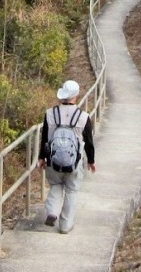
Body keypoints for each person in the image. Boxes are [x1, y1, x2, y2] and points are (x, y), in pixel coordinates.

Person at [37, 79, 95, 234]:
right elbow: (89, 141)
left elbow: (44, 138)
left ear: (62, 95)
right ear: (76, 95)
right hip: (74, 163)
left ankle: (52, 212)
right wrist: (91, 161)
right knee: (71, 191)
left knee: (55, 186)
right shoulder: (83, 116)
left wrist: (41, 158)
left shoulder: (50, 114)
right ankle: (65, 225)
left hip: (53, 160)